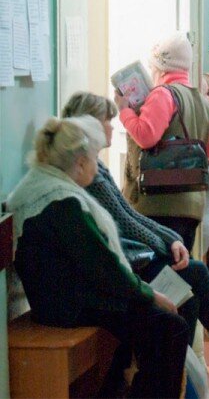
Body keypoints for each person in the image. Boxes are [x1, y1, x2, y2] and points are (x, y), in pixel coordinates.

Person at [61, 92, 209, 374]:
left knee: (188, 293)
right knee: (193, 274)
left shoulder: (95, 165)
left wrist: (169, 239)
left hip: (119, 258)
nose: (112, 127)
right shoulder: (87, 171)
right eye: (107, 120)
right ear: (90, 124)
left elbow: (127, 214)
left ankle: (193, 367)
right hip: (111, 271)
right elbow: (124, 220)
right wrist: (165, 243)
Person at [8, 116, 188, 397]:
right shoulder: (62, 202)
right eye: (95, 157)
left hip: (60, 298)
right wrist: (150, 295)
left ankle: (116, 390)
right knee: (170, 327)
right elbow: (104, 268)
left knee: (146, 324)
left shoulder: (43, 185)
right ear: (80, 163)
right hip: (66, 306)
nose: (97, 164)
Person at [117, 32, 209, 250]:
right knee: (180, 266)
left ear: (160, 67)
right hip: (192, 205)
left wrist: (125, 111)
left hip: (159, 204)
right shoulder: (204, 103)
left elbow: (145, 137)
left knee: (160, 267)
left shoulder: (162, 94)